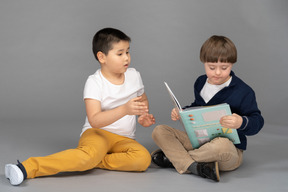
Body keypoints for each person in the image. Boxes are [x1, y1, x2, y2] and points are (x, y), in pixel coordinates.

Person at [5, 28, 155, 186]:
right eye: (120, 53)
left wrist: (143, 114)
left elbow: (142, 99)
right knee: (87, 156)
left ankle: (96, 161)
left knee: (143, 159)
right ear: (102, 57)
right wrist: (125, 109)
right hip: (97, 133)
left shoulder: (134, 75)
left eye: (128, 52)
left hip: (124, 139)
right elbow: (95, 120)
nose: (126, 58)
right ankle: (26, 168)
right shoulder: (95, 82)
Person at [151, 35, 264, 182]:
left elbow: (257, 121)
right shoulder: (200, 82)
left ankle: (173, 158)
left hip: (227, 149)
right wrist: (182, 112)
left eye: (224, 68)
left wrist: (241, 122)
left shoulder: (243, 91)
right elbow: (198, 108)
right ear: (203, 63)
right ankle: (196, 166)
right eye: (211, 67)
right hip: (198, 140)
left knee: (221, 146)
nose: (217, 72)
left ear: (232, 64)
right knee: (160, 131)